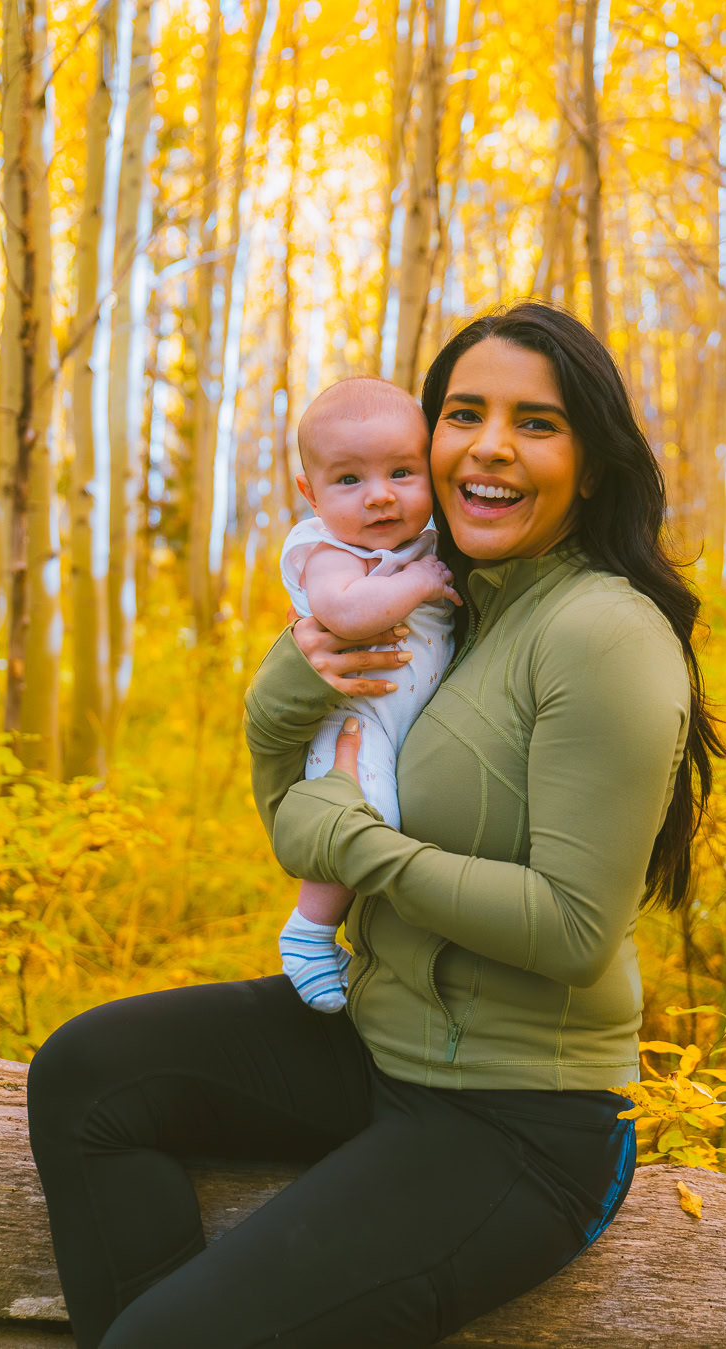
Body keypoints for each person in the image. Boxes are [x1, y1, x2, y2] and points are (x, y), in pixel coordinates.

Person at [25, 301, 726, 1349]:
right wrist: (289, 682)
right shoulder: (441, 604)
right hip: (375, 1038)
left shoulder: (601, 634)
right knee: (85, 1072)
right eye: (464, 412)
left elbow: (574, 930)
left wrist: (359, 842)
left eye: (536, 422)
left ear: (590, 463)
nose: (490, 445)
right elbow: (292, 823)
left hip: (516, 1117)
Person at [276, 375, 459, 1013]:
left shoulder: (423, 544)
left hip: (402, 718)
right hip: (354, 721)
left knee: (396, 818)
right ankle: (309, 931)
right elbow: (349, 614)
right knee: (359, 814)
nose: (380, 497)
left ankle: (364, 946)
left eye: (402, 472)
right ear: (311, 493)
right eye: (349, 480)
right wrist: (421, 583)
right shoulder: (327, 551)